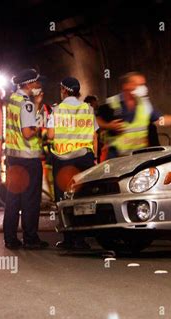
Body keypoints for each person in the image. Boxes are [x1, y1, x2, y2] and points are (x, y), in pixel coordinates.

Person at [46, 77, 99, 250]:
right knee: (82, 197)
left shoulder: (57, 110)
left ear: (64, 90)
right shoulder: (88, 109)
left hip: (63, 160)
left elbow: (50, 136)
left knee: (63, 199)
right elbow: (94, 135)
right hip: (84, 158)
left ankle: (68, 238)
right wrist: (95, 158)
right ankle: (81, 238)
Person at [3, 68, 48, 250]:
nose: (39, 86)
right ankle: (30, 238)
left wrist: (36, 104)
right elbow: (28, 133)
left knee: (13, 198)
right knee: (30, 199)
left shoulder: (12, 100)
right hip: (28, 159)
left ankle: (10, 238)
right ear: (29, 84)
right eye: (37, 82)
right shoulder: (26, 104)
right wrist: (39, 121)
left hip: (13, 157)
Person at [96, 71, 171, 159]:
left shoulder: (145, 104)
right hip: (116, 158)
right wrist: (109, 126)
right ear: (127, 86)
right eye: (139, 85)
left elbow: (160, 120)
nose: (144, 88)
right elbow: (96, 120)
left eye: (143, 84)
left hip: (138, 157)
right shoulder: (113, 103)